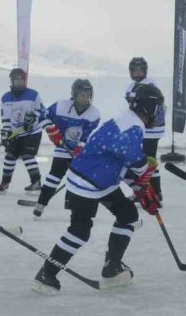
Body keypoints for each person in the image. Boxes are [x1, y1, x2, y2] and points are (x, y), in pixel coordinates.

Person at [31, 83, 164, 295]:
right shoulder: (131, 126)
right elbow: (132, 158)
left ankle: (112, 267)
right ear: (149, 108)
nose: (160, 113)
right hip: (87, 183)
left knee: (128, 215)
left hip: (100, 181)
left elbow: (121, 161)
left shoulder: (128, 120)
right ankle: (47, 274)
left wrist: (141, 189)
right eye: (158, 108)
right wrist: (144, 173)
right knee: (80, 231)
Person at [29, 78, 101, 217]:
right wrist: (51, 130)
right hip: (62, 147)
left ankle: (72, 205)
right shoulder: (61, 106)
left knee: (78, 179)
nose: (85, 98)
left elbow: (89, 134)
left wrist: (81, 147)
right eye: (82, 95)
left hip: (81, 152)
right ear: (74, 94)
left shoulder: (94, 113)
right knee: (54, 176)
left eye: (88, 95)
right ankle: (41, 203)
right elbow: (43, 116)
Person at [0, 68, 44, 194]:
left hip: (32, 132)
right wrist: (6, 133)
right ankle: (5, 182)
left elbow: (42, 111)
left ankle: (36, 182)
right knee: (10, 156)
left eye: (21, 79)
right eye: (16, 79)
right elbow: (6, 118)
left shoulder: (33, 94)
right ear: (11, 81)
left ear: (25, 80)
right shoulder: (5, 98)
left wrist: (33, 118)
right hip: (15, 133)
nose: (19, 81)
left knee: (27, 156)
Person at [123, 56, 165, 200]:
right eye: (135, 70)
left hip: (151, 128)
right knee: (147, 160)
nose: (138, 73)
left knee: (147, 161)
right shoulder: (132, 86)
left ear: (145, 71)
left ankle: (152, 193)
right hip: (144, 128)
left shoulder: (149, 84)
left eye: (140, 70)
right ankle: (153, 192)